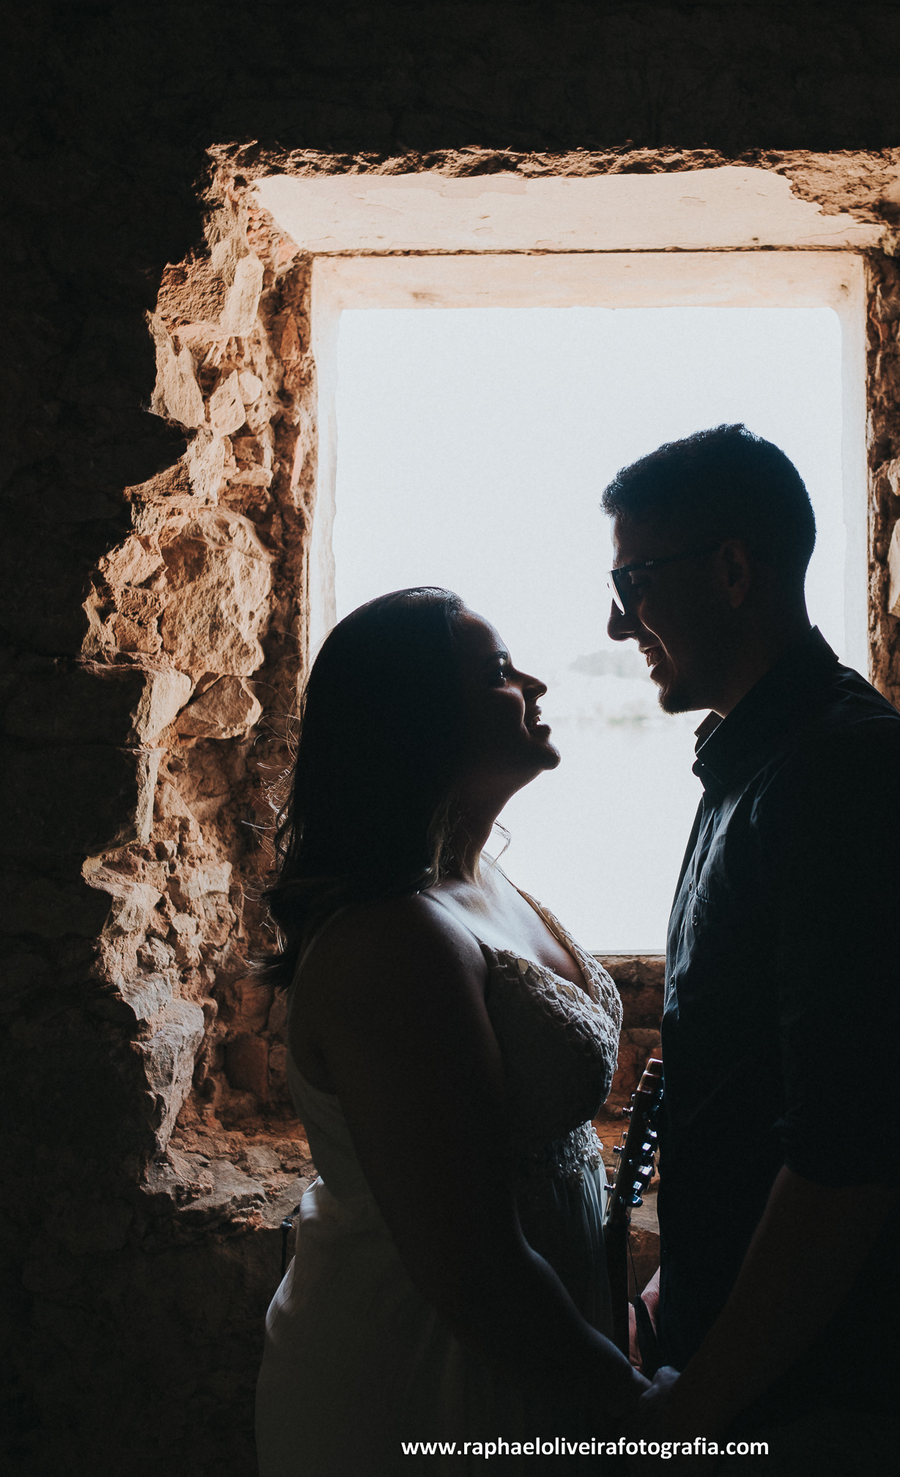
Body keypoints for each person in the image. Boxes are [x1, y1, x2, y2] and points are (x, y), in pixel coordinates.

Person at [602, 426, 900, 1467]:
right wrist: (676, 1295)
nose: (617, 619)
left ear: (732, 572)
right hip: (764, 1373)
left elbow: (842, 1155)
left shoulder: (839, 777)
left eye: (634, 581)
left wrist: (699, 1403)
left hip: (817, 1397)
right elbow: (750, 1087)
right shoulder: (760, 761)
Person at [254, 588, 647, 1475]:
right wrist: (635, 1404)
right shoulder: (390, 940)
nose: (534, 684)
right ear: (418, 721)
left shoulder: (481, 881)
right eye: (500, 672)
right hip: (426, 1369)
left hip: (530, 1347)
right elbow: (473, 1268)